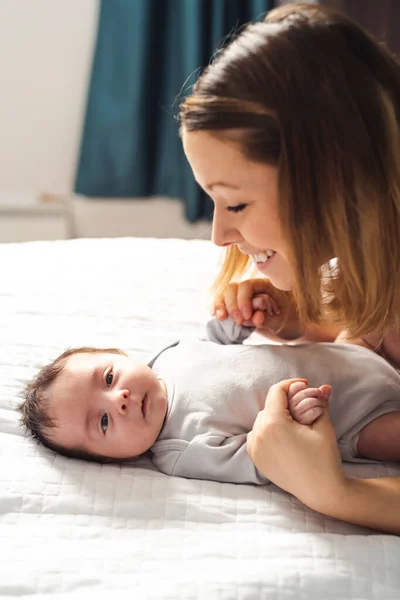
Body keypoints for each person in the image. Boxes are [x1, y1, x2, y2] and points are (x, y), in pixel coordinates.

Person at [178, 3, 400, 531]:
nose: (219, 235)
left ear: (332, 184)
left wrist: (331, 490)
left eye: (235, 205)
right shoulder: (372, 261)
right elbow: (371, 334)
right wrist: (294, 318)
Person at [19, 317, 400, 487]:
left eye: (108, 377)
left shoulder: (170, 355)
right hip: (354, 419)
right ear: (114, 459)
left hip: (348, 354)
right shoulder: (181, 451)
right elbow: (264, 458)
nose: (117, 399)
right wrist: (294, 423)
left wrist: (238, 319)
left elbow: (216, 338)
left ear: (122, 354)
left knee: (380, 310)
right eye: (102, 423)